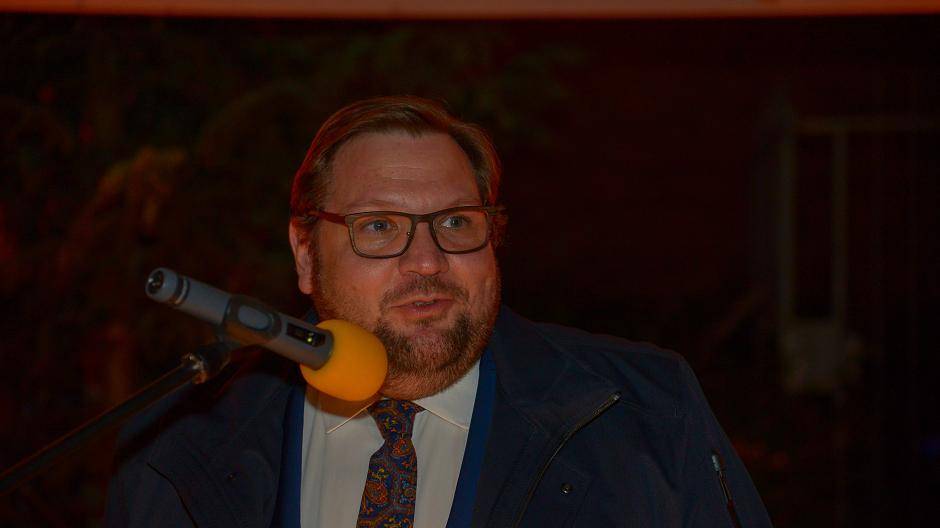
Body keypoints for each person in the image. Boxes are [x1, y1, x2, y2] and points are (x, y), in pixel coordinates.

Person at [106, 96, 773, 527]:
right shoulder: (179, 442)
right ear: (305, 254)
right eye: (378, 227)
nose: (427, 261)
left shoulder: (647, 414)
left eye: (455, 222)